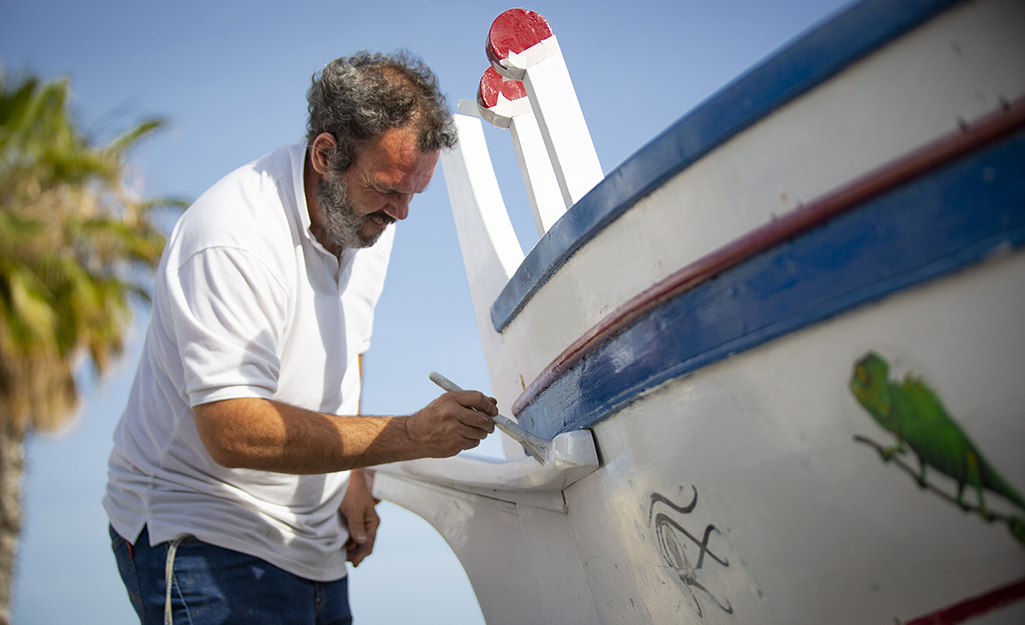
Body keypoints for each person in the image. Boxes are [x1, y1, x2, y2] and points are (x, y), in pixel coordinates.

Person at [103, 51, 497, 625]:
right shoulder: (232, 238)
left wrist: (356, 477)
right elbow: (233, 429)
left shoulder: (368, 222)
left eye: (415, 193)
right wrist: (409, 434)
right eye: (389, 189)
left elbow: (349, 349)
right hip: (200, 536)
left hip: (316, 549)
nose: (403, 213)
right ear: (325, 155)